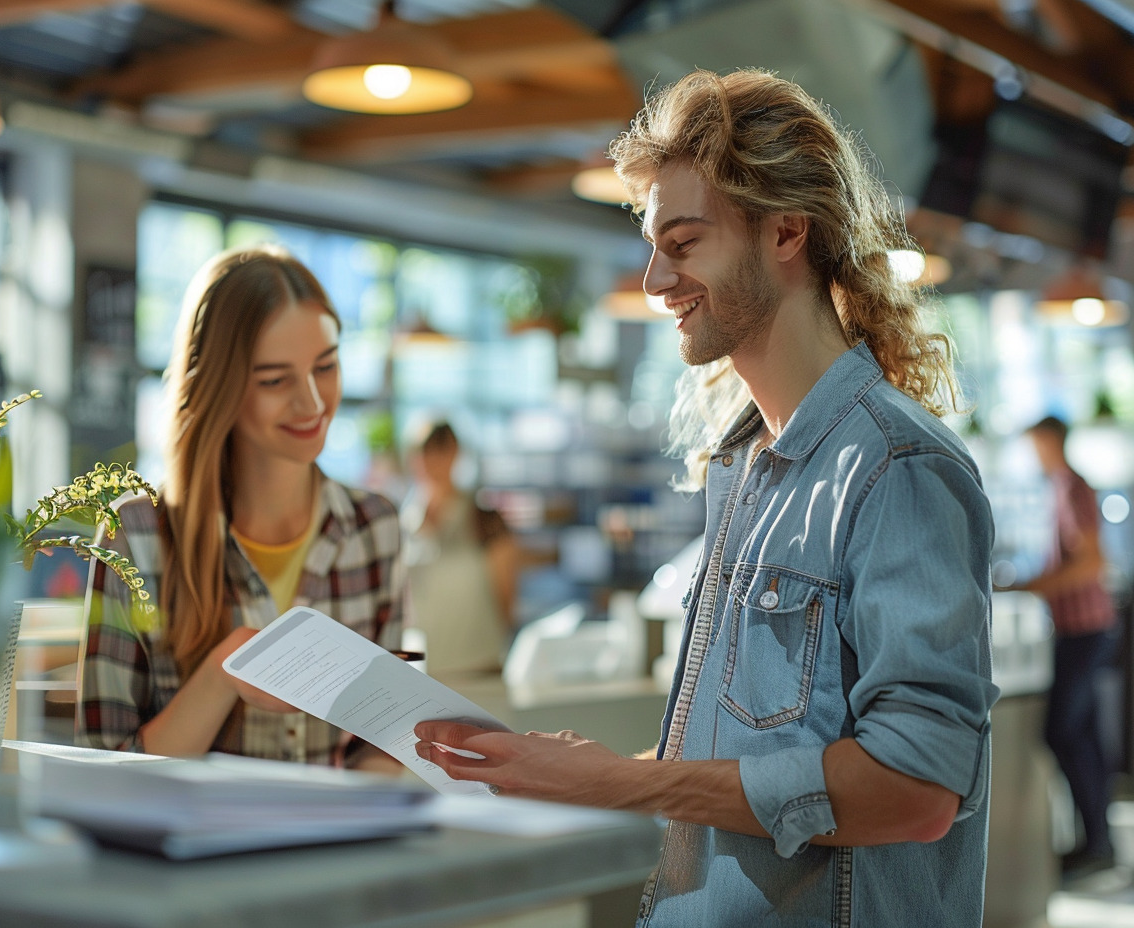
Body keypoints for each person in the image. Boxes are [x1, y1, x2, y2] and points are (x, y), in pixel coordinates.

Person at [414, 68, 998, 927]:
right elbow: (756, 760)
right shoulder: (746, 465)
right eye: (655, 245)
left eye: (683, 243)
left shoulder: (896, 466)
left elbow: (917, 788)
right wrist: (592, 773)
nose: (655, 280)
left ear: (787, 232)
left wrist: (626, 781)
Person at [76, 244, 406, 772]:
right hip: (191, 854)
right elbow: (100, 772)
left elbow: (382, 742)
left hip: (342, 849)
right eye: (275, 380)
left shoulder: (376, 527)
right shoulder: (135, 536)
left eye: (326, 366)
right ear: (219, 385)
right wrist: (222, 674)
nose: (314, 404)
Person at [1010, 415, 1117, 876]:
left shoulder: (1073, 487)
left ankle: (1094, 841)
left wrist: (1033, 586)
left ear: (1050, 440)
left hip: (1085, 628)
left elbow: (1092, 562)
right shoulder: (1059, 487)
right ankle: (1097, 841)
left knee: (1064, 732)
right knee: (1084, 736)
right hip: (1079, 629)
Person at [400, 420, 519, 678]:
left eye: (440, 450)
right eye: (423, 451)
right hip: (425, 672)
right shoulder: (403, 523)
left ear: (456, 453)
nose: (431, 461)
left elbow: (507, 599)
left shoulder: (484, 520)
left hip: (480, 667)